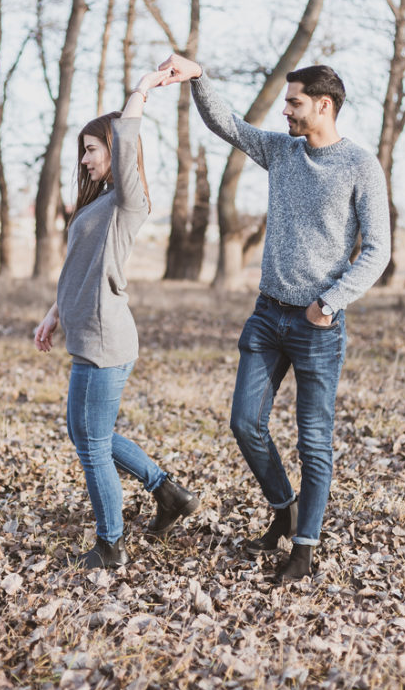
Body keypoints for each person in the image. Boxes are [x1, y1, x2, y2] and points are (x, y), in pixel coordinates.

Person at [159, 54, 390, 582]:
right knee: (245, 422)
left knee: (314, 442)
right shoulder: (282, 152)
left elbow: (378, 250)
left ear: (324, 105)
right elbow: (229, 125)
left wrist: (329, 303)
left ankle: (303, 548)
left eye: (294, 102)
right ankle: (284, 508)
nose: (284, 110)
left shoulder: (360, 166)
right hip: (267, 316)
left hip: (318, 326)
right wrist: (198, 77)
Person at [34, 70, 199, 570]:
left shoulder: (128, 202)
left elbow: (128, 140)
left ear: (114, 150)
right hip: (88, 335)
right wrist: (54, 313)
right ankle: (168, 493)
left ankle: (110, 545)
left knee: (92, 446)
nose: (85, 160)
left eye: (92, 150)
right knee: (87, 435)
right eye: (83, 151)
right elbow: (81, 268)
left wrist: (140, 91)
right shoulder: (99, 203)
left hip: (106, 341)